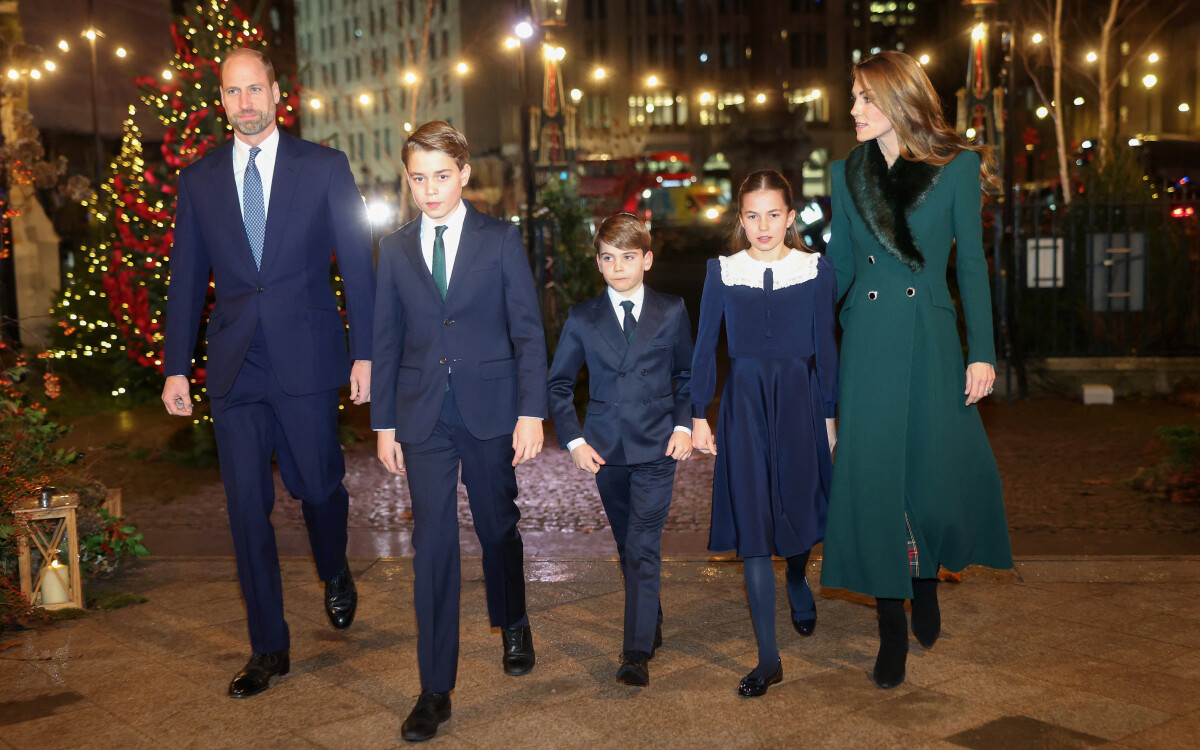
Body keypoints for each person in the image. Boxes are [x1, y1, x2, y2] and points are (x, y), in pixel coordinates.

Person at [162, 47, 375, 698]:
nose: (245, 102)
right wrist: (176, 367)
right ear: (221, 99)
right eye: (233, 92)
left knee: (318, 486)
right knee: (246, 510)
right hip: (235, 366)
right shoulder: (199, 182)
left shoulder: (323, 168)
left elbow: (360, 268)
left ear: (277, 92)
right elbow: (186, 279)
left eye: (256, 89)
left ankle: (334, 568)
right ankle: (268, 647)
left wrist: (365, 352)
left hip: (306, 358)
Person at [819, 50, 1013, 690]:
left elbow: (973, 268)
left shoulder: (957, 168)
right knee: (874, 478)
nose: (852, 109)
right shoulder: (847, 171)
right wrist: (803, 319)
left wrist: (981, 350)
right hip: (869, 339)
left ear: (896, 100)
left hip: (931, 337)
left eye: (862, 98)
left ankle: (925, 580)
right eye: (853, 97)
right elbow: (841, 267)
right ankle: (890, 629)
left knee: (930, 470)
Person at [371, 121, 547, 742]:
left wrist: (532, 411)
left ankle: (514, 618)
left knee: (499, 525)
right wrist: (384, 423)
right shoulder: (393, 249)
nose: (429, 189)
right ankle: (434, 688)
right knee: (434, 547)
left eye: (441, 176)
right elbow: (385, 339)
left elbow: (527, 330)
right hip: (422, 417)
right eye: (418, 178)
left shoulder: (499, 240)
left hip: (491, 408)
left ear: (465, 174)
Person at [691, 170, 838, 697]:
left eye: (773, 213)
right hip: (744, 406)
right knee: (754, 522)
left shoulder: (816, 270)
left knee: (799, 508)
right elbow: (705, 345)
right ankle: (768, 658)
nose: (762, 225)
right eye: (752, 215)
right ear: (740, 219)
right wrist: (696, 413)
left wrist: (829, 415)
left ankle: (797, 577)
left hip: (800, 404)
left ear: (791, 217)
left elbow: (826, 347)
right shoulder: (723, 272)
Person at [547, 213, 694, 687]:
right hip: (606, 450)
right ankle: (648, 615)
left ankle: (634, 652)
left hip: (657, 449)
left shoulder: (671, 310)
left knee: (642, 546)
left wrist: (684, 426)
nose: (618, 267)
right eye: (608, 258)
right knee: (625, 544)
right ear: (598, 263)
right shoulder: (583, 318)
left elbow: (686, 375)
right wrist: (573, 440)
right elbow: (559, 385)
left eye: (628, 257)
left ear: (647, 260)